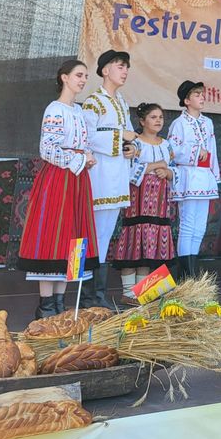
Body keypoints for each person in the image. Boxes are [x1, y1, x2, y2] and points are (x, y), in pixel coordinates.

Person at [18, 59, 99, 318]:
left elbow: (81, 144)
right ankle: (46, 304)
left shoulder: (79, 111)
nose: (83, 80)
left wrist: (87, 157)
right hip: (58, 179)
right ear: (64, 77)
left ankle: (61, 303)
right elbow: (48, 150)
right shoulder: (55, 109)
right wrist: (79, 159)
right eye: (78, 75)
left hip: (77, 179)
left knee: (74, 236)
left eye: (85, 76)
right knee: (53, 234)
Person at [81, 50, 138, 306]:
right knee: (91, 233)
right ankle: (86, 292)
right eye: (120, 66)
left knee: (104, 235)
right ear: (105, 70)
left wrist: (132, 147)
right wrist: (120, 137)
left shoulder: (122, 102)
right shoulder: (94, 101)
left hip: (117, 176)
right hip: (99, 175)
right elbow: (87, 136)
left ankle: (98, 294)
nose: (125, 71)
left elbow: (131, 134)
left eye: (126, 67)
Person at [113, 103, 177, 303]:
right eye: (153, 117)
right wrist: (157, 165)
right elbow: (129, 170)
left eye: (160, 117)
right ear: (142, 121)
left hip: (159, 203)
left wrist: (167, 172)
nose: (158, 121)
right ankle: (127, 292)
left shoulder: (166, 145)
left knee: (148, 247)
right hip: (139, 200)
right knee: (134, 242)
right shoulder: (136, 143)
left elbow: (174, 168)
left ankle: (140, 292)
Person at [168, 81, 220, 279]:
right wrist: (196, 151)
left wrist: (214, 175)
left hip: (204, 176)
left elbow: (212, 150)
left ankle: (192, 271)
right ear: (187, 100)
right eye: (197, 95)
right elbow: (172, 151)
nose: (202, 97)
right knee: (188, 224)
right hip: (188, 176)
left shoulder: (208, 123)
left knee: (200, 226)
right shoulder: (179, 124)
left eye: (202, 94)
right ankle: (184, 273)